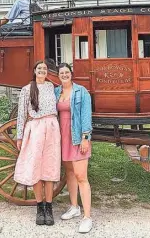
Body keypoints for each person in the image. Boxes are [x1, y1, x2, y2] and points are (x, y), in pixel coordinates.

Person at [14, 60, 61, 226]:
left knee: (49, 167)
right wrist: (19, 137)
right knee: (35, 167)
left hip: (52, 129)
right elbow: (21, 115)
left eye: (45, 68)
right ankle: (39, 206)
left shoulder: (51, 87)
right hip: (35, 128)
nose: (42, 70)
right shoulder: (27, 90)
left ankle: (49, 207)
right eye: (39, 68)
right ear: (34, 71)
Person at [54, 63, 93, 234]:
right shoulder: (56, 92)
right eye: (61, 73)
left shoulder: (81, 91)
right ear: (58, 75)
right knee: (69, 172)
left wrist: (85, 137)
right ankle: (74, 207)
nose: (64, 75)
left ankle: (87, 217)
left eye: (67, 72)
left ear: (71, 74)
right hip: (62, 137)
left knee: (81, 176)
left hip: (77, 136)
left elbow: (86, 115)